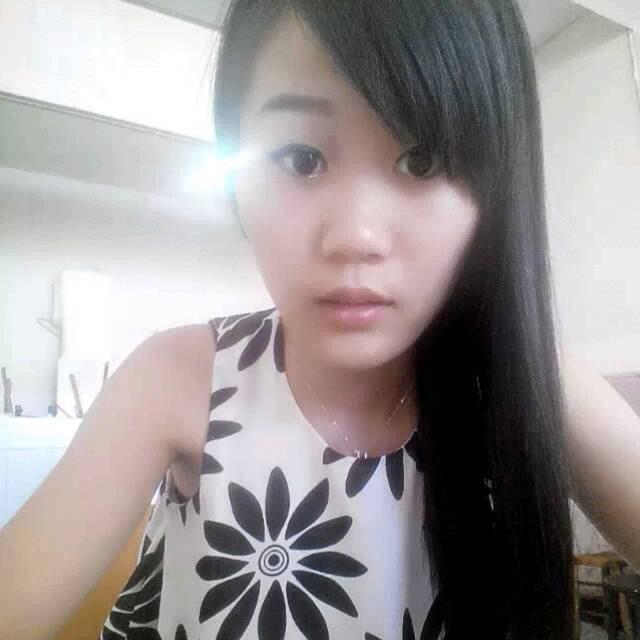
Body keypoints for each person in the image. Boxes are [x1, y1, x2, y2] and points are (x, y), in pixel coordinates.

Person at [1, 2, 639, 639]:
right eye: (302, 158)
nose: (356, 236)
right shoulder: (179, 379)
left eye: (422, 161)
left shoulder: (525, 381)